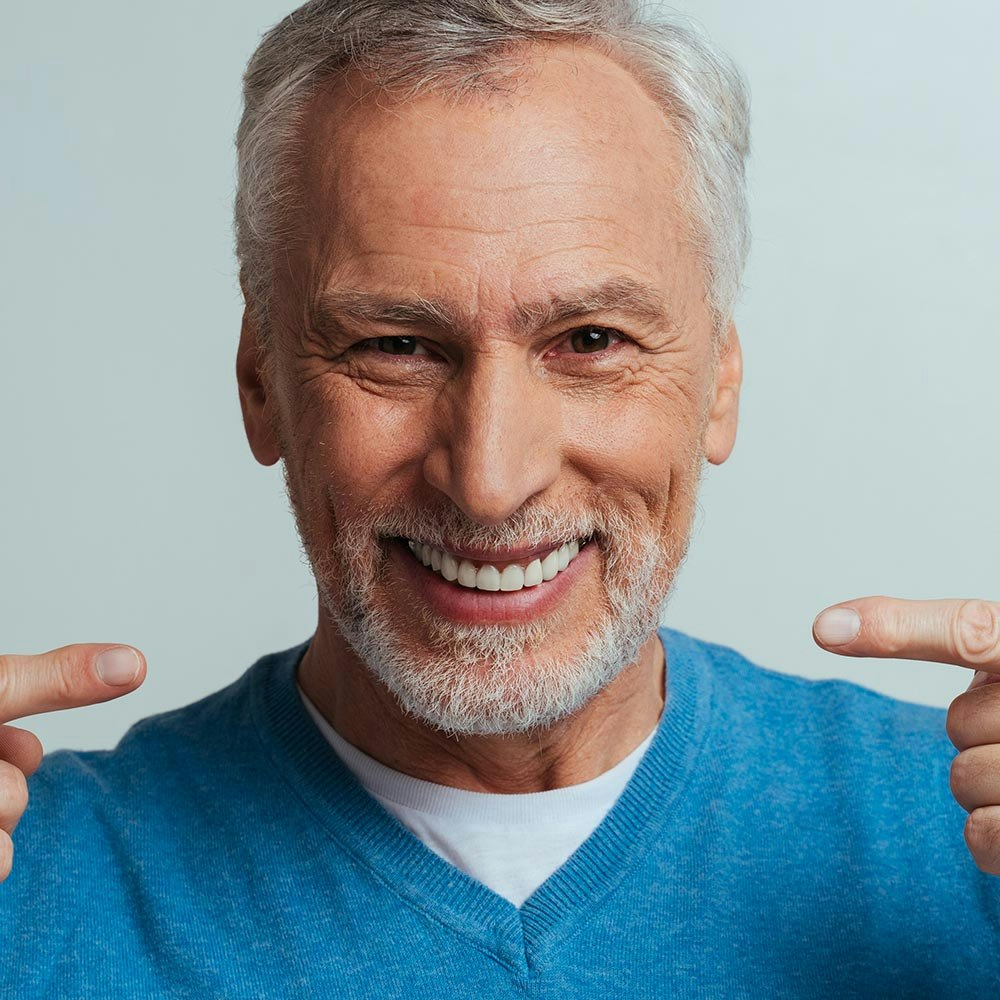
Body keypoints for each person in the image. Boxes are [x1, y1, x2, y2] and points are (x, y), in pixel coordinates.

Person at [3, 1, 999, 995]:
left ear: (717, 386)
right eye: (395, 346)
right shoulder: (34, 890)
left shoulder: (966, 837)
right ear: (261, 385)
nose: (488, 481)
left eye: (591, 340)